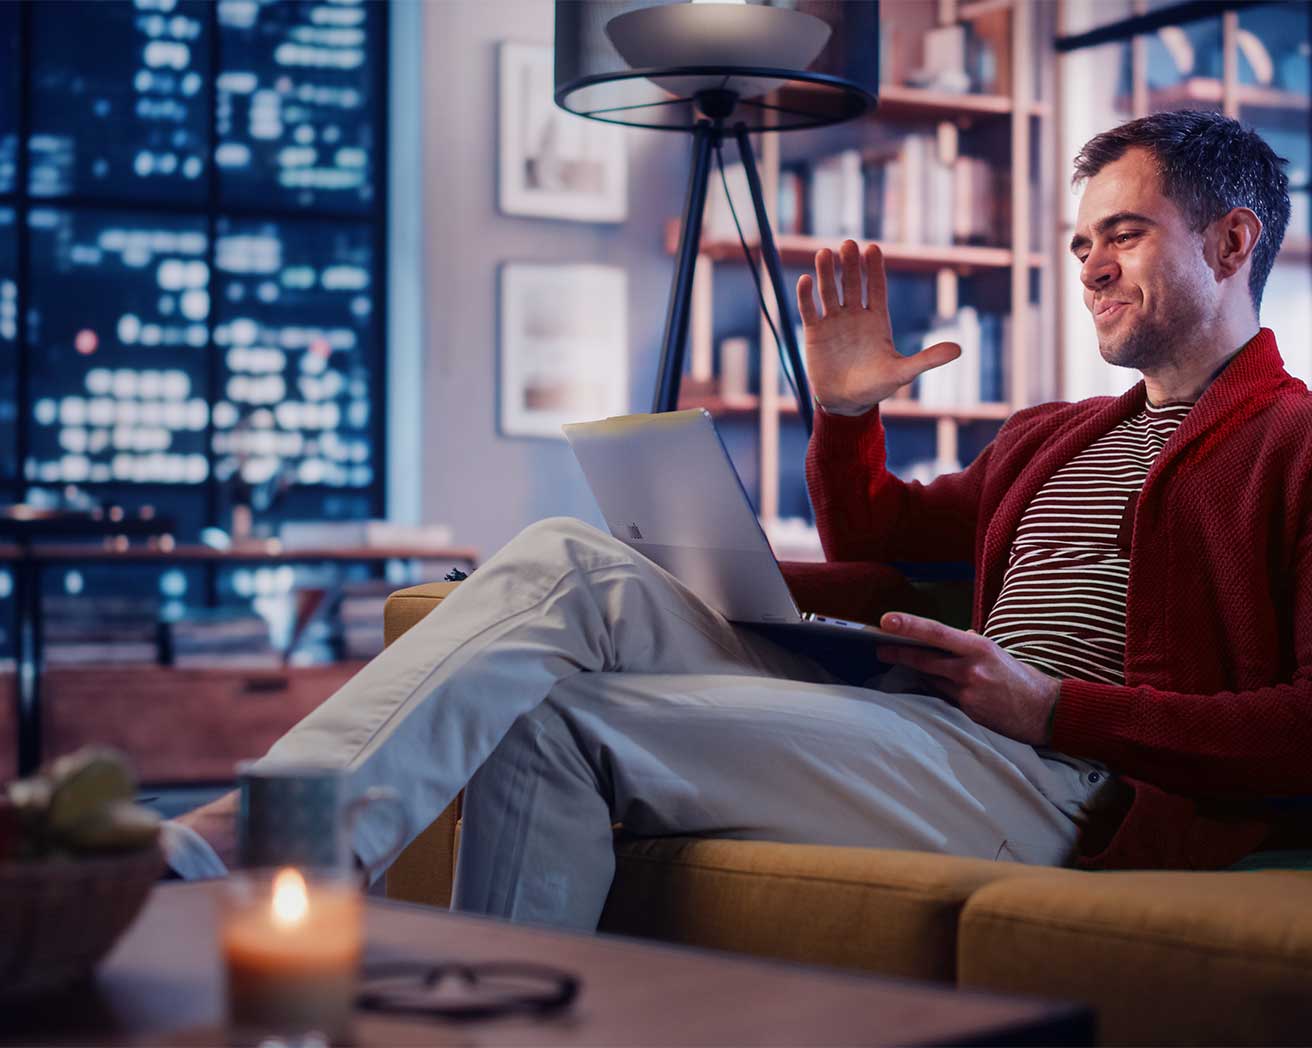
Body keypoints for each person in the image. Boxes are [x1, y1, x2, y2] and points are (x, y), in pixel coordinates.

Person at [164, 110, 1310, 926]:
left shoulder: (1291, 440)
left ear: (1230, 241)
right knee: (571, 553)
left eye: (1122, 233)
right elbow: (876, 537)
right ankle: (267, 829)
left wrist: (1054, 706)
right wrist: (848, 409)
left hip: (1057, 776)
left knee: (568, 723)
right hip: (933, 719)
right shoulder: (1053, 432)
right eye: (1080, 241)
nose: (1090, 265)